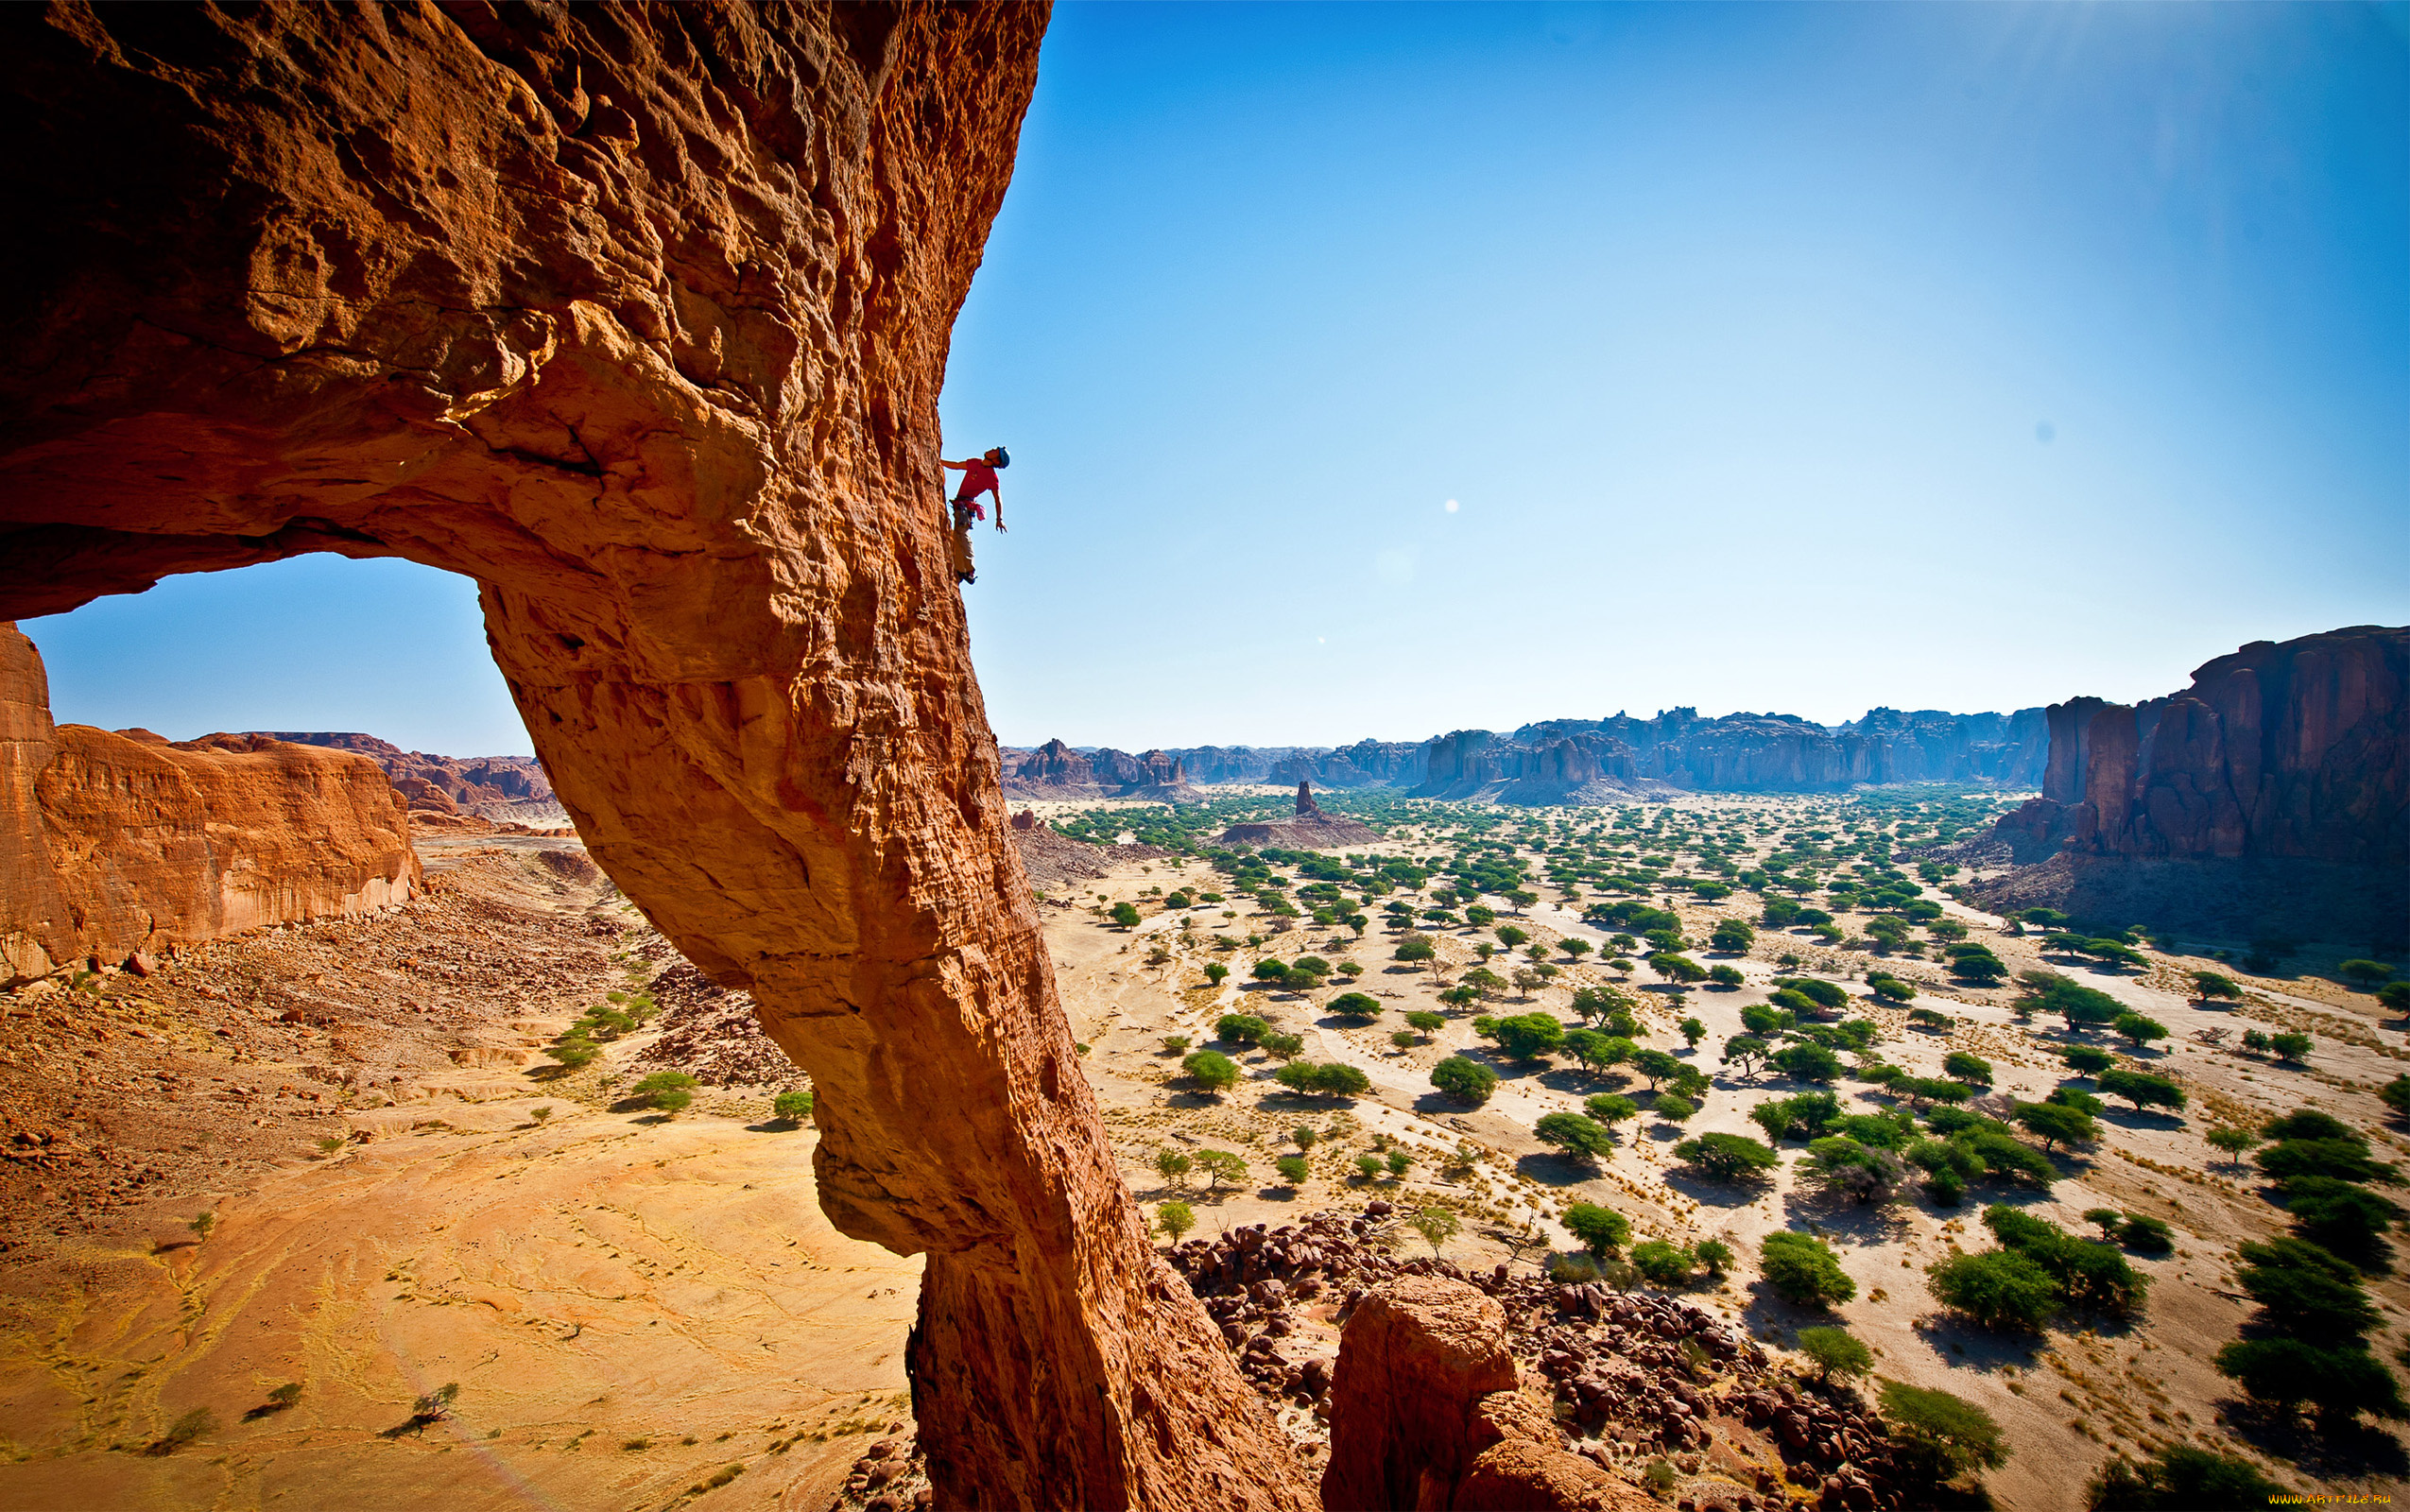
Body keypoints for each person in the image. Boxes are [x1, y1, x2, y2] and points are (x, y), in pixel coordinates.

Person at [939, 446, 1009, 584]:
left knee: (962, 534)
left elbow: (998, 499)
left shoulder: (992, 477)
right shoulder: (975, 462)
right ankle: (961, 568)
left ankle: (969, 570)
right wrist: (939, 461)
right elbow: (957, 465)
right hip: (961, 504)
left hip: (966, 506)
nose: (993, 449)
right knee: (958, 535)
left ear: (996, 460)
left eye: (996, 451)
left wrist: (999, 519)